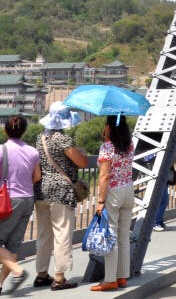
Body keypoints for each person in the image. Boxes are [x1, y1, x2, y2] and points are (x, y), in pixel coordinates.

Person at [34, 102, 88, 291]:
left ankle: (41, 274)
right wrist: (82, 152)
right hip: (61, 192)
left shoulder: (39, 138)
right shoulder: (62, 139)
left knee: (43, 235)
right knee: (62, 234)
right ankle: (59, 277)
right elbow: (81, 162)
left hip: (41, 190)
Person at [91, 115, 135, 292]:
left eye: (106, 125)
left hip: (114, 193)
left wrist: (100, 201)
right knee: (124, 236)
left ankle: (109, 279)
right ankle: (122, 276)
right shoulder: (129, 145)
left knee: (111, 236)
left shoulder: (107, 147)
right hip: (128, 191)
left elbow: (104, 176)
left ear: (109, 127)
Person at [0, 116, 41, 293]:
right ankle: (0, 284)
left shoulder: (2, 150)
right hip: (27, 200)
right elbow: (37, 177)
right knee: (13, 245)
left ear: (5, 130)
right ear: (24, 131)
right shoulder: (32, 151)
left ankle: (18, 270)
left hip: (8, 201)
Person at [153, 163, 176, 232]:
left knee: (164, 201)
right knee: (162, 202)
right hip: (160, 176)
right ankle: (156, 223)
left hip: (163, 176)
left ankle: (159, 222)